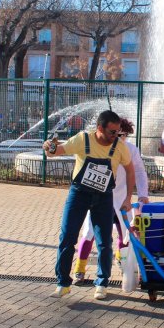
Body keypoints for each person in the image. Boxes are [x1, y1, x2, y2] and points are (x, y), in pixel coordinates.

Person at [43, 110, 134, 300]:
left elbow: (130, 169)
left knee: (104, 242)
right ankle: (63, 283)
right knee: (67, 236)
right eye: (112, 132)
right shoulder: (82, 139)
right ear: (99, 128)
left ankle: (102, 283)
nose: (115, 136)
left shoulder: (119, 146)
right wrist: (49, 147)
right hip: (79, 194)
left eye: (117, 132)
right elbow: (56, 152)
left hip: (103, 196)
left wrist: (128, 199)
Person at [73, 118, 149, 284]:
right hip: (98, 199)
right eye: (115, 133)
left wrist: (143, 195)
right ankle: (79, 269)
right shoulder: (100, 147)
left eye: (122, 135)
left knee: (126, 235)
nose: (118, 138)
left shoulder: (130, 150)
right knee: (89, 233)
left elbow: (140, 173)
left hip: (121, 201)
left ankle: (122, 265)